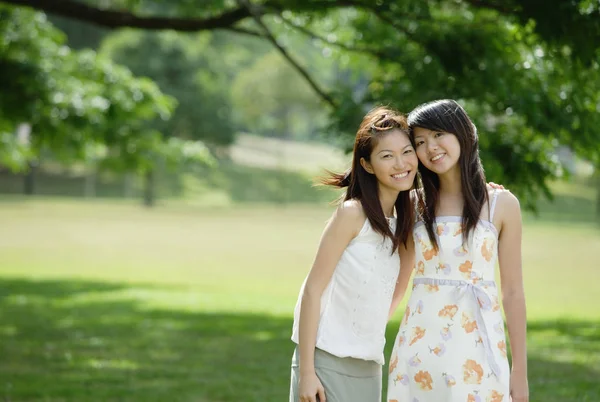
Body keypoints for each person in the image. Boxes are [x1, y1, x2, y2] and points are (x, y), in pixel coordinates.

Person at [387, 99, 529, 402]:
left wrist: (520, 372)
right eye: (421, 142)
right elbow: (399, 279)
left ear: (464, 133)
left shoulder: (501, 205)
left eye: (439, 134)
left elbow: (513, 292)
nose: (431, 147)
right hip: (419, 351)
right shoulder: (413, 204)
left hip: (478, 350)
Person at [289, 107, 419, 402]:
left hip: (369, 365)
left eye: (407, 151)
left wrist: (488, 190)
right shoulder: (352, 214)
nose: (400, 163)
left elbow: (399, 286)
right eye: (387, 156)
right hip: (324, 360)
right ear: (368, 164)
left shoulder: (406, 223)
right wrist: (307, 372)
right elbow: (312, 291)